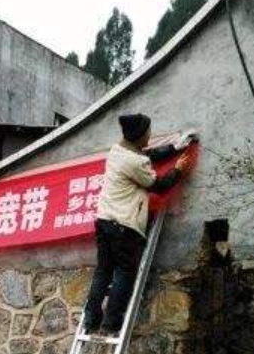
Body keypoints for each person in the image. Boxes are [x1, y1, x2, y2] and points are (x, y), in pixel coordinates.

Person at [84, 113, 196, 334]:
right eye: (148, 131)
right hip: (124, 226)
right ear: (140, 135)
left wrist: (175, 147)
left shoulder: (117, 150)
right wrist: (178, 169)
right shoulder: (135, 162)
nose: (150, 135)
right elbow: (159, 185)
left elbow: (147, 155)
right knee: (124, 272)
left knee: (103, 271)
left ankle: (91, 319)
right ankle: (111, 323)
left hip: (104, 221)